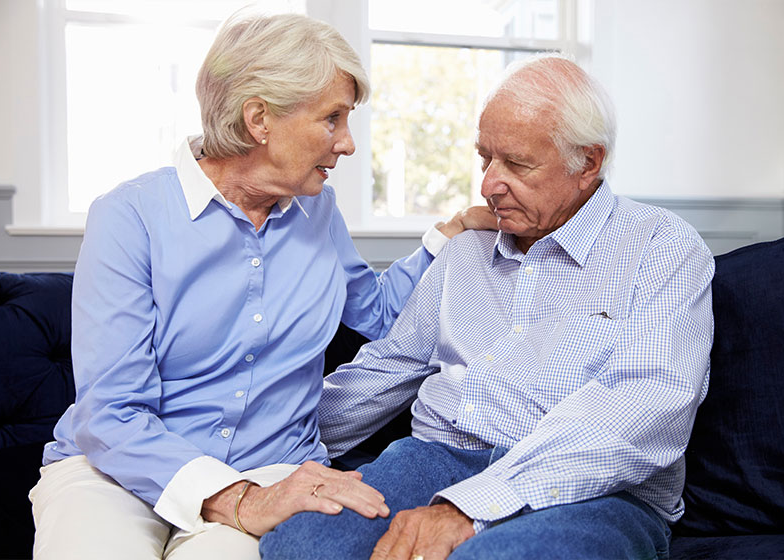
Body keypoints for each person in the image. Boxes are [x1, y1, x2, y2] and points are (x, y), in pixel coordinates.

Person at [29, 11, 495, 560]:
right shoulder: (131, 216)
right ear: (259, 119)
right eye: (332, 118)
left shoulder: (317, 211)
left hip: (271, 472)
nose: (346, 143)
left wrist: (449, 238)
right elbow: (111, 413)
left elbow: (376, 312)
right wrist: (238, 499)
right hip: (116, 474)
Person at [258, 53, 715, 560]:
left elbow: (650, 406)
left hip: (592, 488)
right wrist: (258, 450)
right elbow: (388, 369)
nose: (488, 185)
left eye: (517, 164)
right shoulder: (466, 252)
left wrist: (467, 508)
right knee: (299, 546)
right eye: (485, 159)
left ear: (588, 162)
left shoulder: (663, 249)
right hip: (434, 458)